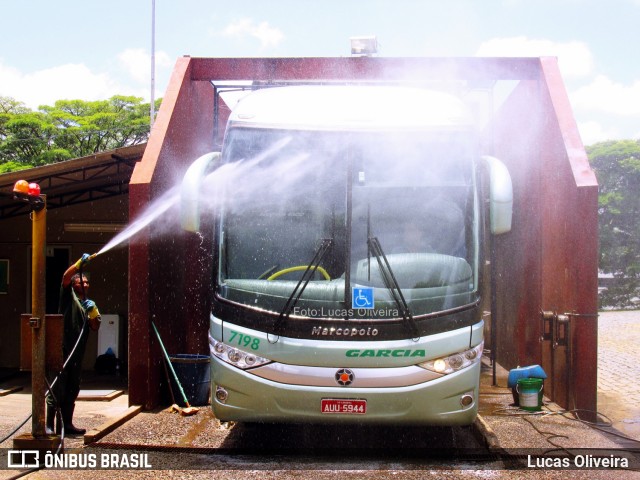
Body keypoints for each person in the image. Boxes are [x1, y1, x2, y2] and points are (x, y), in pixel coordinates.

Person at [46, 253, 101, 436]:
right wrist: (78, 264)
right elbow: (66, 277)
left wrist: (93, 312)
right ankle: (48, 426)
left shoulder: (88, 304)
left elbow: (95, 326)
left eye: (87, 282)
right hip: (62, 350)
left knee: (72, 388)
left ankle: (67, 424)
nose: (85, 284)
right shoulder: (68, 297)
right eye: (81, 282)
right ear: (74, 285)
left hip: (77, 354)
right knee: (57, 388)